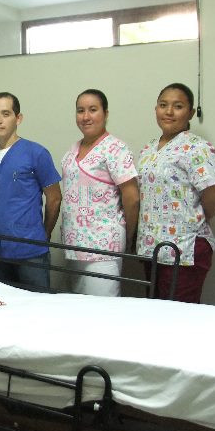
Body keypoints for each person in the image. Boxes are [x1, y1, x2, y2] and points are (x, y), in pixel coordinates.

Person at [136, 82, 215, 303]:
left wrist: (195, 217)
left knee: (178, 315)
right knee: (154, 312)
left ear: (190, 113)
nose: (169, 111)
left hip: (185, 249)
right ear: (155, 109)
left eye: (177, 106)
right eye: (163, 105)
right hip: (152, 247)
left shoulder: (197, 147)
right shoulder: (148, 149)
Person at [0, 92, 61, 290]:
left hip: (30, 251)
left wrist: (44, 235)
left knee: (36, 304)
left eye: (6, 113)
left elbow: (55, 198)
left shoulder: (36, 153)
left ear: (18, 118)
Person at [60, 89, 139, 296]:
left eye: (93, 110)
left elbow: (132, 198)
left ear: (105, 113)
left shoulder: (115, 149)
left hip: (103, 246)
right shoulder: (73, 149)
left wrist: (130, 236)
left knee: (102, 308)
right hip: (74, 245)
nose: (86, 116)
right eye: (80, 110)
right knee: (77, 306)